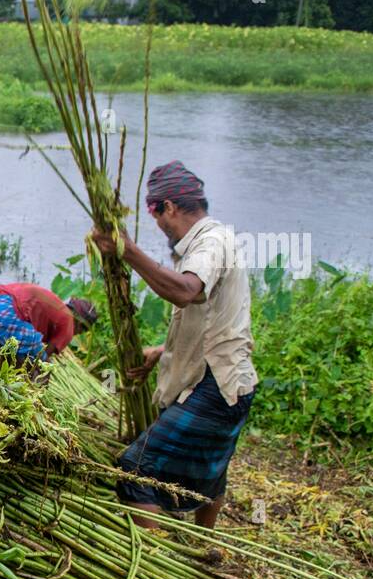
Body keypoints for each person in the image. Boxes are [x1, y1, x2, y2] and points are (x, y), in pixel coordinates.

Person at [89, 160, 257, 530]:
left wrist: (127, 251)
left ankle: (156, 563)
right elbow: (218, 322)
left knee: (135, 470)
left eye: (154, 212)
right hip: (234, 381)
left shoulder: (210, 242)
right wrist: (164, 353)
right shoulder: (210, 241)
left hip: (217, 387)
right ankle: (205, 544)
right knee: (211, 472)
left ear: (169, 207)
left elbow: (185, 292)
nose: (158, 223)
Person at [0, 282, 98, 363]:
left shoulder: (56, 305)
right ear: (81, 324)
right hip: (6, 315)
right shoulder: (69, 323)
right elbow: (41, 357)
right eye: (82, 331)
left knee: (6, 344)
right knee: (39, 361)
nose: (76, 334)